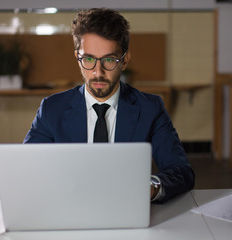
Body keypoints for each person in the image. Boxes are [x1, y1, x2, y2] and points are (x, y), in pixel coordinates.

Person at [23, 8, 195, 203]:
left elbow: (181, 172)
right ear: (77, 58)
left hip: (126, 211)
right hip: (67, 209)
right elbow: (28, 169)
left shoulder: (150, 108)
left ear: (125, 60)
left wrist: (151, 187)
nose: (98, 72)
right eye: (88, 59)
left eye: (109, 60)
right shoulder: (51, 109)